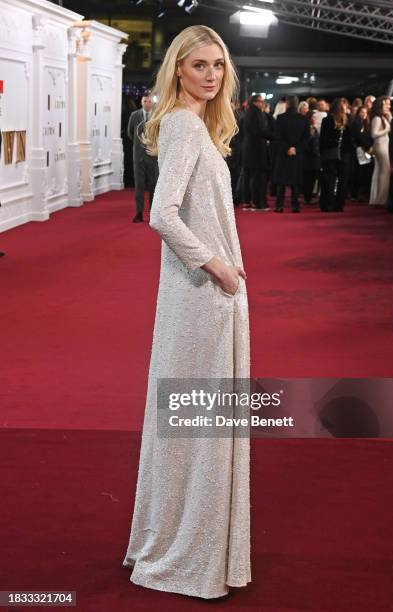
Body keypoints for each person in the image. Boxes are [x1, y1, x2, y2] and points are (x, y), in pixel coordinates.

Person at [122, 25, 251, 599]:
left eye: (217, 66)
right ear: (178, 68)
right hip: (199, 294)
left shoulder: (198, 125)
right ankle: (185, 552)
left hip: (203, 294)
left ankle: (189, 543)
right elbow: (163, 214)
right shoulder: (179, 123)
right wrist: (215, 265)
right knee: (198, 421)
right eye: (199, 65)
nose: (210, 75)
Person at [273, 95, 309, 212]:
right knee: (295, 181)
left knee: (281, 181)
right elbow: (306, 137)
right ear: (297, 104)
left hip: (283, 154)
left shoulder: (280, 118)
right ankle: (295, 206)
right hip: (297, 154)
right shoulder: (303, 119)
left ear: (287, 104)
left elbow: (277, 137)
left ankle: (279, 206)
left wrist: (287, 148)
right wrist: (295, 148)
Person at [127, 91, 159, 222]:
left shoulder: (158, 116)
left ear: (152, 102)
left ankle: (153, 213)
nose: (147, 103)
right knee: (139, 186)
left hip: (153, 156)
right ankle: (139, 213)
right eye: (144, 101)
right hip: (138, 157)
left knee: (153, 185)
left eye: (149, 101)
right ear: (141, 102)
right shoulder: (134, 115)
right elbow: (130, 133)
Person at [319, 98, 353, 212]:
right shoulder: (328, 120)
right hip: (330, 154)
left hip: (343, 155)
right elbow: (323, 139)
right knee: (329, 181)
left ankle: (339, 204)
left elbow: (350, 140)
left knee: (342, 181)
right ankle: (328, 204)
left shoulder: (348, 121)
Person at [241, 93, 271, 210]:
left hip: (248, 148)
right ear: (255, 102)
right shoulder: (257, 113)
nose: (262, 103)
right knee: (257, 177)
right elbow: (260, 131)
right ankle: (257, 202)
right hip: (257, 150)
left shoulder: (247, 113)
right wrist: (274, 137)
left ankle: (247, 202)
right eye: (261, 101)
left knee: (248, 176)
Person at [369, 96, 392, 206]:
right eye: (386, 104)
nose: (389, 106)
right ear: (380, 106)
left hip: (382, 145)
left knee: (379, 172)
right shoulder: (377, 118)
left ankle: (376, 199)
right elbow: (374, 134)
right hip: (381, 146)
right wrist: (387, 129)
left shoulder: (382, 117)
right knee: (384, 172)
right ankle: (381, 200)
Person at [350, 105, 374, 201]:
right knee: (358, 172)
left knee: (365, 172)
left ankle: (361, 193)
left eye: (365, 112)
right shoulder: (356, 123)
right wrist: (368, 147)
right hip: (360, 150)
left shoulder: (366, 123)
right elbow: (358, 137)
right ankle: (355, 194)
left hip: (366, 150)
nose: (364, 114)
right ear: (358, 113)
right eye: (362, 112)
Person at [303, 110, 320, 204]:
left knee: (312, 178)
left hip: (314, 157)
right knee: (308, 179)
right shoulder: (306, 128)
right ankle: (307, 198)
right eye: (313, 117)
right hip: (309, 157)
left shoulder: (314, 128)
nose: (315, 119)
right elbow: (305, 143)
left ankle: (308, 197)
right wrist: (314, 152)